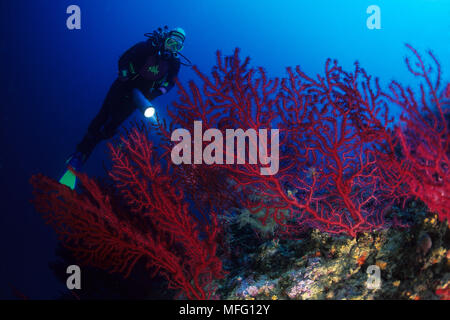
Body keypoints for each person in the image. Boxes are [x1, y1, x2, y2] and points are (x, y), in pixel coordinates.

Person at [60, 27, 186, 189]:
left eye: (177, 46)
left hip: (140, 98)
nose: (172, 47)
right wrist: (125, 74)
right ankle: (80, 153)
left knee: (112, 126)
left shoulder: (174, 63)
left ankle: (85, 151)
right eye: (171, 42)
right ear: (165, 39)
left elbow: (171, 82)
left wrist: (156, 93)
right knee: (102, 116)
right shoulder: (146, 47)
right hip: (122, 86)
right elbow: (124, 59)